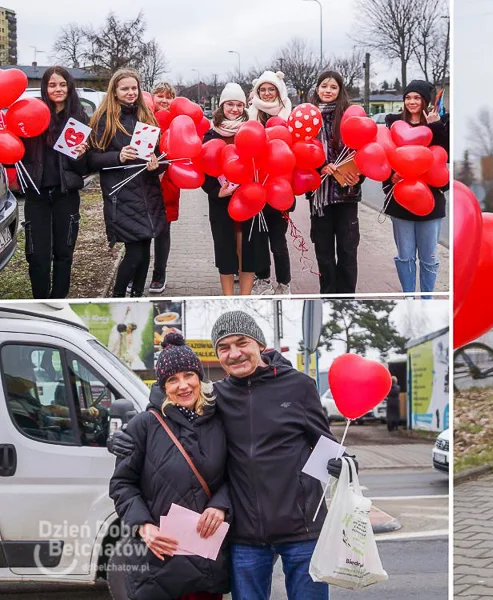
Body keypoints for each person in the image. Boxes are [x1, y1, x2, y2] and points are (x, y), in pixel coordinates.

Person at [110, 310, 358, 600]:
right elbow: (178, 426)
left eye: (242, 343)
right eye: (224, 348)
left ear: (260, 344)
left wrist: (345, 465)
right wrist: (122, 439)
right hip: (246, 535)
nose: (235, 353)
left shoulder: (299, 386)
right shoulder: (217, 397)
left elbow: (326, 444)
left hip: (301, 529)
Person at [109, 332, 230, 600]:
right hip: (159, 561)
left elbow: (234, 475)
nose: (183, 385)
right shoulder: (145, 424)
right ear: (163, 387)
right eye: (172, 380)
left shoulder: (219, 421)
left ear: (199, 377)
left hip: (205, 561)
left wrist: (221, 505)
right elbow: (121, 484)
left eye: (189, 375)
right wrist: (143, 526)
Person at [88, 68, 166, 298]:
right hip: (121, 195)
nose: (131, 92)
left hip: (148, 194)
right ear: (115, 92)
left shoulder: (147, 116)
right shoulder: (105, 120)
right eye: (125, 89)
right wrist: (118, 156)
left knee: (145, 251)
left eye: (134, 88)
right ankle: (118, 297)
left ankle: (137, 295)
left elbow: (161, 157)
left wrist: (157, 164)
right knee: (134, 253)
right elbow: (91, 159)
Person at [17, 66, 89, 299]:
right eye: (52, 84)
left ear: (69, 86)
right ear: (45, 88)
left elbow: (86, 168)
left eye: (62, 84)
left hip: (65, 195)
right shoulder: (32, 112)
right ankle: (40, 301)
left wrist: (81, 155)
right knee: (37, 255)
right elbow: (17, 152)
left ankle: (58, 300)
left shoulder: (79, 116)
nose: (57, 89)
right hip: (36, 195)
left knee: (63, 253)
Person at [383, 80, 449, 297]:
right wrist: (391, 177)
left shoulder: (439, 124)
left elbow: (444, 155)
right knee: (405, 255)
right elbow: (384, 157)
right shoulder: (393, 123)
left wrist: (435, 125)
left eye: (417, 98)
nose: (412, 102)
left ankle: (427, 298)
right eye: (408, 97)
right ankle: (408, 296)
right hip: (401, 200)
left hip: (431, 201)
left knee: (429, 257)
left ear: (425, 101)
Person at [307, 70, 364, 294]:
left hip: (346, 195)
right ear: (317, 88)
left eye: (333, 87)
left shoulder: (350, 116)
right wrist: (318, 167)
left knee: (348, 250)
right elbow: (300, 154)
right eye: (324, 86)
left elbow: (364, 153)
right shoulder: (308, 117)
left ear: (340, 91)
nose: (328, 91)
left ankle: (347, 297)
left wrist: (358, 176)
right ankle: (328, 295)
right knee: (324, 252)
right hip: (319, 197)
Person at [201, 83, 257, 296]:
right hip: (222, 204)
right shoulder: (211, 135)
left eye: (239, 105)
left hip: (249, 201)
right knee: (225, 251)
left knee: (248, 251)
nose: (234, 109)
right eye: (230, 104)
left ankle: (245, 298)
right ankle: (227, 298)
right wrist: (216, 191)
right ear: (222, 105)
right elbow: (204, 171)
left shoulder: (251, 130)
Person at [247, 71, 293, 296]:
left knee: (278, 240)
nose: (266, 94)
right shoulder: (250, 114)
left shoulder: (288, 114)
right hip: (255, 187)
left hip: (279, 187)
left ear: (278, 91)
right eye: (262, 90)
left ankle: (284, 283)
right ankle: (263, 279)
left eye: (271, 89)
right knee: (258, 239)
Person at [148, 81, 178, 294]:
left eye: (168, 96)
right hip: (144, 179)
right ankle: (137, 271)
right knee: (140, 227)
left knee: (163, 229)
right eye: (160, 95)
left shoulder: (177, 122)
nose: (164, 100)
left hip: (169, 180)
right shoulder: (144, 119)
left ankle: (160, 273)